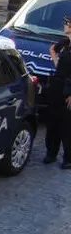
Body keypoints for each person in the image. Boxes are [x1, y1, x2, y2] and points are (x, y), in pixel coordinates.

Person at [44, 14, 71, 169]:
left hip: (68, 91)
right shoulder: (65, 43)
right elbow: (53, 50)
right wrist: (57, 64)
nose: (64, 25)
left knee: (67, 125)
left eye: (67, 23)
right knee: (53, 121)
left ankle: (68, 158)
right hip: (57, 86)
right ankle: (51, 153)